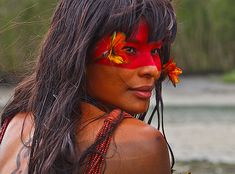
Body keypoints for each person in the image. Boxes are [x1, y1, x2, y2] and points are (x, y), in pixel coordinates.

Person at [0, 0, 182, 173]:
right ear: (80, 52)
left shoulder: (15, 122)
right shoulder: (142, 143)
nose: (153, 69)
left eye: (155, 51)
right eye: (130, 49)